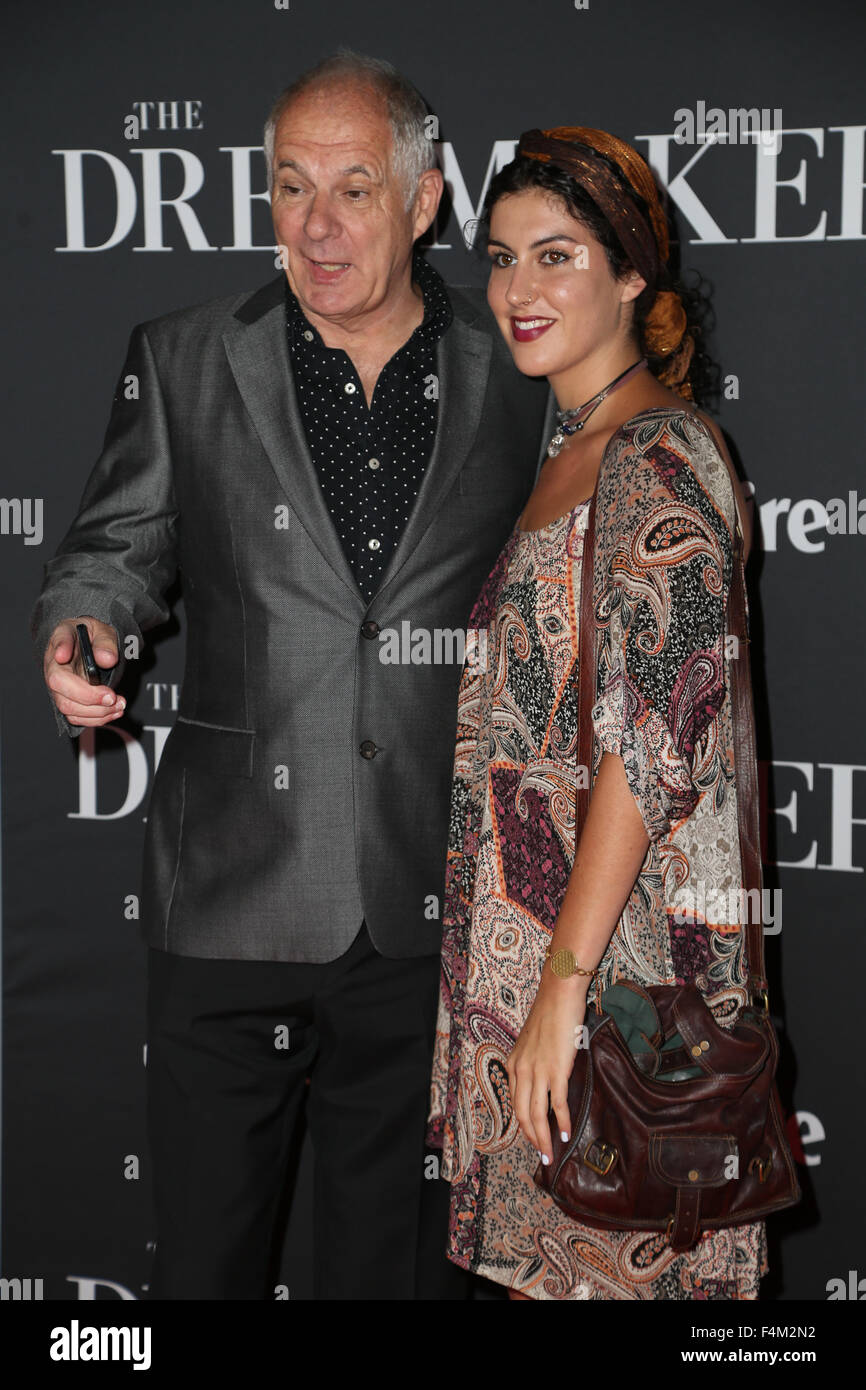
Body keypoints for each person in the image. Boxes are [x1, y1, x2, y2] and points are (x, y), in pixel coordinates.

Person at [30, 53, 554, 1300]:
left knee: (392, 1267)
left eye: (354, 188)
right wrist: (82, 630)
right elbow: (115, 548)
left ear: (424, 202)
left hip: (431, 899)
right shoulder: (186, 354)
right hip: (231, 897)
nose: (316, 226)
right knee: (207, 1262)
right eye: (288, 188)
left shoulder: (509, 366)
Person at [427, 125, 767, 1300]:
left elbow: (653, 737)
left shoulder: (660, 453)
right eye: (503, 255)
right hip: (542, 977)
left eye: (556, 255)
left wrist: (561, 991)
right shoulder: (569, 451)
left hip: (619, 996)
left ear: (631, 274)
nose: (517, 289)